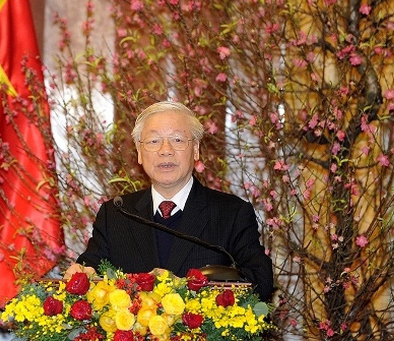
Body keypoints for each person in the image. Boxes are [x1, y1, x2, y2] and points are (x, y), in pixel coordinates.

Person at [64, 101, 273, 301]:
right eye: (154, 141)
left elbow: (259, 281)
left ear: (196, 149)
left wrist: (187, 292)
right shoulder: (117, 214)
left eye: (178, 140)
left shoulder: (231, 213)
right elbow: (90, 267)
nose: (165, 150)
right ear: (139, 152)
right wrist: (81, 273)